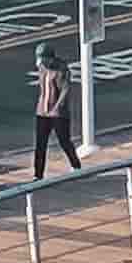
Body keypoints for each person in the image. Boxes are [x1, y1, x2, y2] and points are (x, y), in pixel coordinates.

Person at [29, 37, 84, 181]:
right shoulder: (42, 67)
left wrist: (57, 107)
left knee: (64, 141)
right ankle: (38, 174)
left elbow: (65, 90)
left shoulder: (62, 70)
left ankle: (76, 165)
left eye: (45, 60)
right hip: (42, 112)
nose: (43, 64)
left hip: (58, 114)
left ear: (51, 58)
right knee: (40, 144)